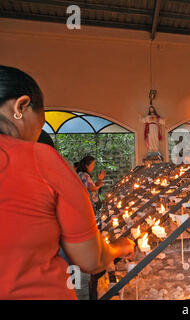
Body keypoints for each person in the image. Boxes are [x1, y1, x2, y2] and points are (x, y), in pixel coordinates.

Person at [0, 65, 135, 299]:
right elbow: (91, 260)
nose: (36, 135)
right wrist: (120, 247)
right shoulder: (40, 160)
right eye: (39, 124)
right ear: (21, 106)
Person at [74, 155, 106, 221]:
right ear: (87, 166)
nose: (93, 167)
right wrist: (99, 185)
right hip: (89, 205)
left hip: (92, 204)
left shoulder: (85, 175)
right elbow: (92, 188)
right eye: (92, 165)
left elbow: (93, 186)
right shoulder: (83, 175)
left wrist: (100, 179)